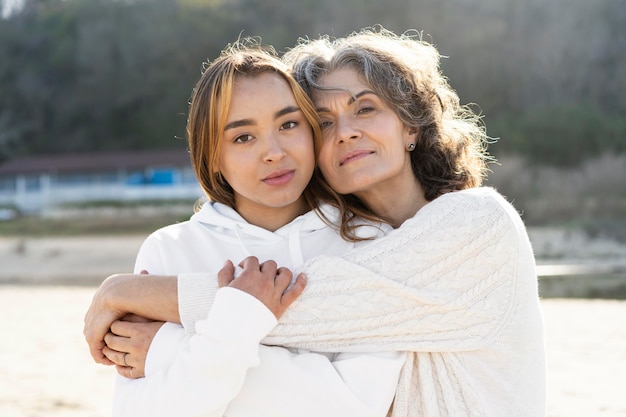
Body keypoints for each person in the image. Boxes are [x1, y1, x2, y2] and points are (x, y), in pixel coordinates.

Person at [85, 27, 547, 417]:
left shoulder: (476, 224)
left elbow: (310, 313)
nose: (345, 131)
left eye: (365, 108)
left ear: (412, 125)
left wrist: (153, 326)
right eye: (323, 122)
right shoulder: (172, 249)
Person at [85, 40, 405, 417]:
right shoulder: (169, 250)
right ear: (213, 157)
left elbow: (357, 408)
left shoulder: (371, 242)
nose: (273, 151)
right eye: (243, 137)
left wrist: (167, 350)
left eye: (288, 124)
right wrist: (237, 324)